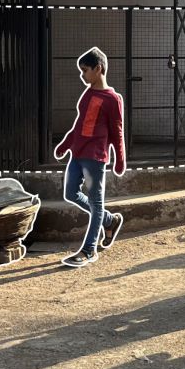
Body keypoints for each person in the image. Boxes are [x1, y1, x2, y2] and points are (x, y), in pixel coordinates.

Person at [54, 47, 126, 268]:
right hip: (77, 154)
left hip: (95, 158)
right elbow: (79, 124)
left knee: (96, 203)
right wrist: (66, 144)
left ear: (99, 69)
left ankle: (89, 250)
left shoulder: (113, 99)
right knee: (70, 194)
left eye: (85, 70)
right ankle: (109, 220)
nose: (82, 75)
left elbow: (117, 131)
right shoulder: (88, 94)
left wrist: (120, 158)